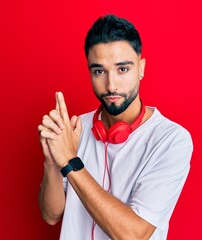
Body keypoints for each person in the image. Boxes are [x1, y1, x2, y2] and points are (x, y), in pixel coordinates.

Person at [38, 14, 193, 240]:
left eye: (122, 69)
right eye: (99, 71)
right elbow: (51, 215)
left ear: (141, 68)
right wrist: (52, 162)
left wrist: (70, 161)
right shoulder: (73, 130)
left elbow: (133, 235)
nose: (111, 85)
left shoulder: (171, 140)